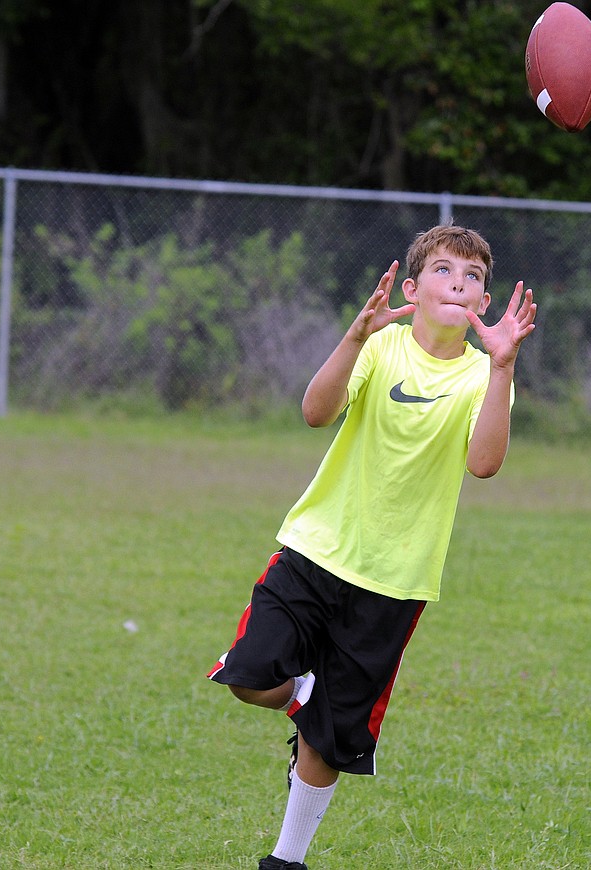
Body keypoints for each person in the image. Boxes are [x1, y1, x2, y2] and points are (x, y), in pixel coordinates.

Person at [207, 223, 537, 870]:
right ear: (411, 289)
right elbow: (315, 411)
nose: (460, 283)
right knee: (250, 677)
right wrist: (354, 337)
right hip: (314, 552)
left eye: (474, 278)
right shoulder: (382, 346)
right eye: (445, 271)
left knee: (331, 746)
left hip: (395, 582)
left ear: (483, 306)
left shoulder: (480, 375)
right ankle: (302, 694)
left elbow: (485, 463)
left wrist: (503, 367)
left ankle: (285, 859)